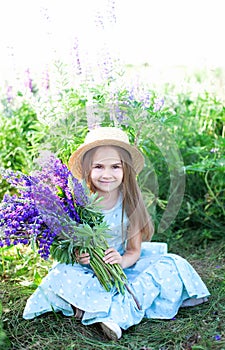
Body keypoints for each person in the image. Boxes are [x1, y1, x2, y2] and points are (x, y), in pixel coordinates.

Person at [23, 127, 210, 341]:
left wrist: (121, 261)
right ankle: (116, 310)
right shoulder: (76, 201)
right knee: (61, 275)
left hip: (121, 265)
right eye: (99, 167)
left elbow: (134, 251)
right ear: (87, 169)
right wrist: (79, 256)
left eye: (115, 167)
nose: (107, 174)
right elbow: (68, 246)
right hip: (87, 271)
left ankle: (103, 311)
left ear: (125, 170)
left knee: (171, 265)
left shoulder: (129, 203)